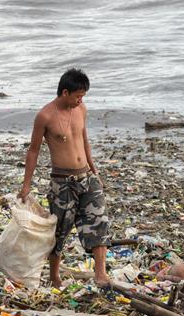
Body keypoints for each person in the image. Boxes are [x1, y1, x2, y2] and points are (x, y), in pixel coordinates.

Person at [18, 68, 111, 288]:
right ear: (65, 92)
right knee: (59, 231)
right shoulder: (45, 116)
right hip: (62, 183)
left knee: (99, 221)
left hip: (86, 177)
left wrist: (95, 171)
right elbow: (33, 151)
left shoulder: (81, 110)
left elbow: (84, 140)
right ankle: (54, 276)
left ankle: (101, 274)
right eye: (78, 96)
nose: (80, 100)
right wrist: (26, 186)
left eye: (83, 97)